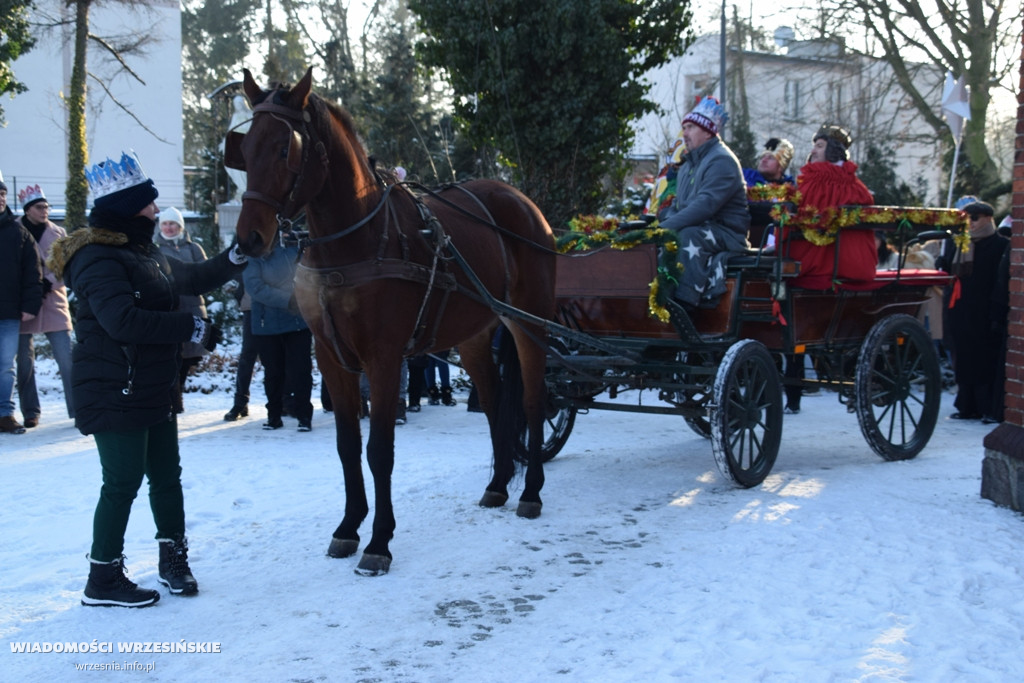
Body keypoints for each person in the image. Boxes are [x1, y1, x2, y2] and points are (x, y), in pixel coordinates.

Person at [47, 151, 246, 607]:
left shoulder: (140, 250)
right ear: (126, 206)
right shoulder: (97, 257)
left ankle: (173, 559)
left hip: (152, 384)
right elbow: (122, 321)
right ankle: (102, 578)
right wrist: (190, 328)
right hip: (114, 388)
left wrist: (236, 256)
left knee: (166, 476)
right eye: (149, 203)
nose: (156, 211)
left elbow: (190, 276)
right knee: (121, 483)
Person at [656, 97, 750, 309]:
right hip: (703, 227)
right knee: (658, 240)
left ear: (707, 132)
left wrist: (664, 228)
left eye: (690, 127)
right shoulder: (688, 165)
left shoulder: (722, 160)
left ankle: (684, 304)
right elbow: (682, 206)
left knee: (686, 236)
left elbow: (705, 206)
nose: (685, 134)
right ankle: (654, 297)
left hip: (726, 233)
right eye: (684, 128)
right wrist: (661, 220)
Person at [782, 124, 876, 290]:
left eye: (819, 146)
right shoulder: (857, 187)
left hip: (815, 264)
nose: (813, 152)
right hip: (855, 266)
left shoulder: (816, 182)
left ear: (832, 149)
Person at [243, 225, 314, 432]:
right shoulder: (255, 254)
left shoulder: (297, 248)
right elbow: (255, 287)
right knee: (273, 373)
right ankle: (274, 416)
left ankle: (304, 416)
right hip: (267, 324)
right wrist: (288, 299)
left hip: (297, 322)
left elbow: (309, 275)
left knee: (301, 371)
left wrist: (302, 297)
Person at [15, 185, 75, 428]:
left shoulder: (59, 233)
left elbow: (67, 268)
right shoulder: (13, 231)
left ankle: (78, 409)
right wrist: (30, 285)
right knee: (24, 362)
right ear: (28, 209)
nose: (45, 211)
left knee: (67, 358)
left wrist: (47, 282)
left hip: (54, 301)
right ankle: (30, 412)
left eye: (47, 206)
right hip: (24, 302)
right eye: (40, 207)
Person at [945, 200, 1010, 422]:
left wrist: (996, 311)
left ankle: (985, 406)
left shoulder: (1000, 244)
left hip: (985, 310)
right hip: (962, 309)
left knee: (984, 359)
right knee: (963, 358)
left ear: (987, 219)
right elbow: (951, 272)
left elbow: (1000, 280)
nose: (970, 224)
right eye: (967, 219)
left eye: (974, 218)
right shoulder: (961, 243)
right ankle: (966, 405)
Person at [0, 171, 44, 435]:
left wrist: (30, 304)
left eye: (3, 194)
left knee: (5, 365)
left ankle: (5, 414)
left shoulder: (19, 232)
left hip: (8, 312)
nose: (0, 198)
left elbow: (33, 271)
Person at [154, 207, 209, 414]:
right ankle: (173, 400)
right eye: (165, 224)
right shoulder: (155, 248)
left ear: (180, 226)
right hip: (170, 309)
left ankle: (177, 394)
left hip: (193, 308)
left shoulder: (193, 248)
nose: (168, 228)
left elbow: (205, 274)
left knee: (187, 358)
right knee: (172, 356)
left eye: (172, 224)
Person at [223, 277, 258, 421]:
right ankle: (240, 403)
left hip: (274, 307)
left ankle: (283, 401)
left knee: (277, 356)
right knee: (247, 357)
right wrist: (240, 294)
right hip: (251, 307)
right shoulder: (248, 255)